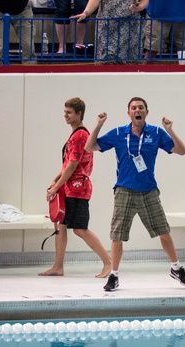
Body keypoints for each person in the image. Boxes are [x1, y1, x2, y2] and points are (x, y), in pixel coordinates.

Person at [85, 96, 185, 293]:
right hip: (124, 190)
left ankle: (176, 268)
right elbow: (90, 147)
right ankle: (114, 275)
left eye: (141, 108)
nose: (137, 111)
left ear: (146, 112)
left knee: (164, 231)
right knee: (117, 235)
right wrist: (98, 125)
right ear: (129, 113)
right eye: (134, 108)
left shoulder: (156, 133)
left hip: (149, 191)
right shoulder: (118, 133)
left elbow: (182, 151)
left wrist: (170, 130)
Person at [40, 97, 112, 279]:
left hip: (78, 187)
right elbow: (67, 164)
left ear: (79, 114)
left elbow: (73, 166)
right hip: (70, 185)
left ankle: (108, 262)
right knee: (61, 226)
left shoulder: (80, 135)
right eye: (64, 111)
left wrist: (56, 187)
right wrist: (56, 180)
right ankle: (58, 266)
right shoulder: (75, 134)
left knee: (80, 228)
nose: (65, 115)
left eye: (69, 112)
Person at [74, 0, 146, 63]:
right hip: (107, 26)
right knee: (107, 60)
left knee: (130, 62)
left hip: (131, 26)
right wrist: (85, 13)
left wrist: (140, 7)